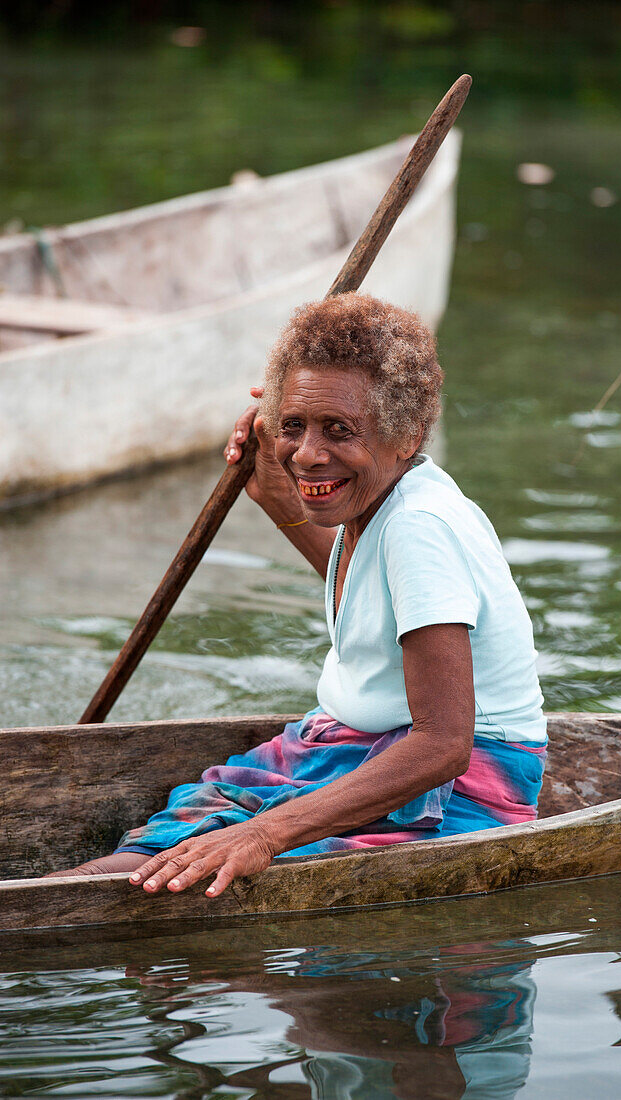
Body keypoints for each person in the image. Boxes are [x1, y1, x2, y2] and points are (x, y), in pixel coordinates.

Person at [48, 293, 546, 898]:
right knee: (182, 831)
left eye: (339, 429)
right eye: (293, 425)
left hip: (453, 788)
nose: (308, 454)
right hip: (349, 748)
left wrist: (262, 835)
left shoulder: (421, 527)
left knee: (201, 862)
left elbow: (443, 746)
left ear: (406, 433)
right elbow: (362, 597)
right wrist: (270, 483)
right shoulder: (381, 501)